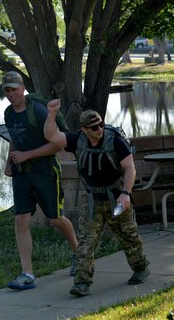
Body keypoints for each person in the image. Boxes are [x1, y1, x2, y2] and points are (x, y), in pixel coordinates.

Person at [43, 98, 150, 297]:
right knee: (85, 242)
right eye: (94, 127)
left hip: (116, 198)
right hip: (93, 200)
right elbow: (51, 135)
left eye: (100, 124)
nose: (99, 129)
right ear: (84, 129)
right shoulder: (77, 140)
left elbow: (130, 169)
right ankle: (82, 282)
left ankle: (141, 268)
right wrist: (51, 114)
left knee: (129, 237)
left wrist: (126, 194)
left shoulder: (115, 142)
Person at [2, 71, 79, 290]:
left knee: (55, 219)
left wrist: (28, 155)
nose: (11, 94)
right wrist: (10, 160)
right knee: (21, 219)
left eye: (14, 89)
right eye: (7, 90)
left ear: (22, 88)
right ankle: (27, 274)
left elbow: (58, 144)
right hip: (21, 174)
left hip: (45, 171)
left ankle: (77, 251)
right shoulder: (8, 113)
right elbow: (14, 139)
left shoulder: (38, 110)